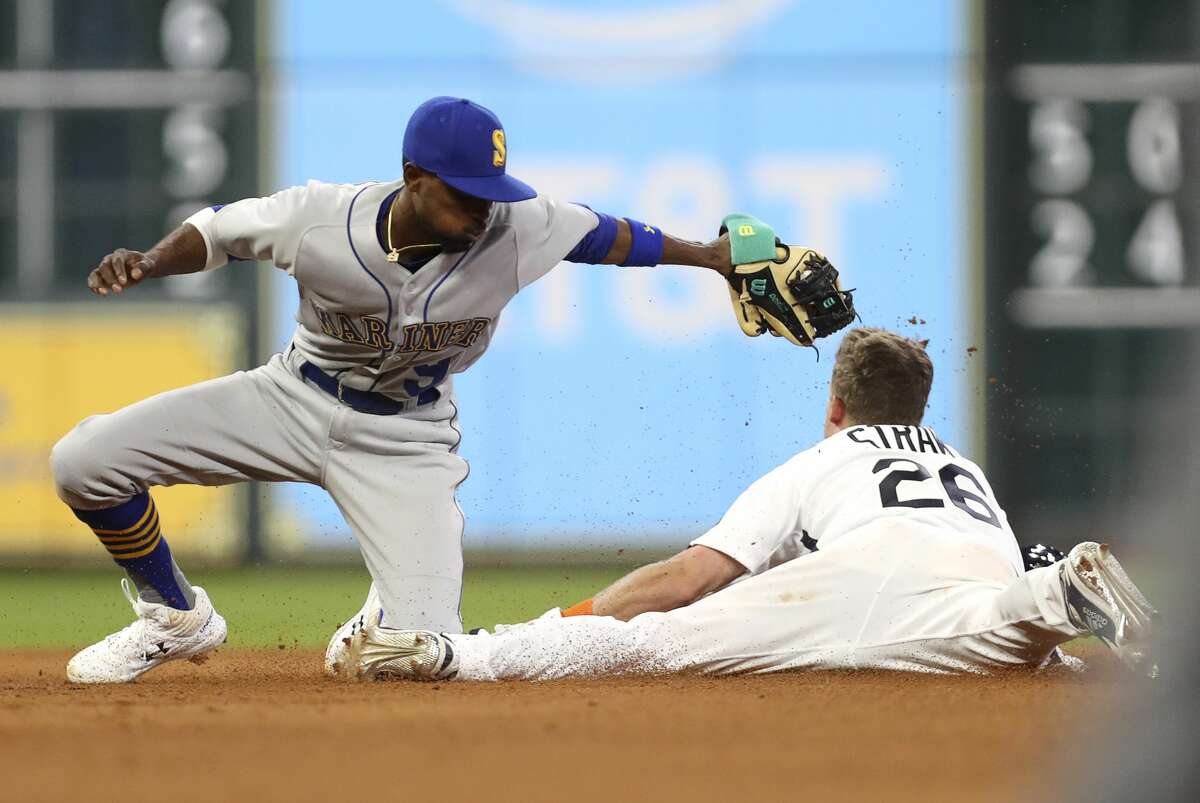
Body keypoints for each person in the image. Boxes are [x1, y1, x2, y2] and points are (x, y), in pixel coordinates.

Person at [53, 96, 741, 684]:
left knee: (416, 655)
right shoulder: (321, 220)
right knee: (82, 462)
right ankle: (175, 614)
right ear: (414, 177)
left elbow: (609, 236)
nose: (482, 207)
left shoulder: (518, 223)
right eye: (463, 190)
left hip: (405, 441)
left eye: (489, 190)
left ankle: (387, 610)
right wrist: (148, 260)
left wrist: (712, 259)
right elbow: (217, 232)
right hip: (291, 398)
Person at [335, 328, 1161, 682]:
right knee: (981, 636)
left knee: (658, 644)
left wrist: (572, 621)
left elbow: (689, 577)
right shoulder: (967, 467)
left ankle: (453, 654)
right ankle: (1048, 601)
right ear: (920, 410)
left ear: (837, 403)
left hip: (872, 585)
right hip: (980, 583)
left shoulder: (822, 458)